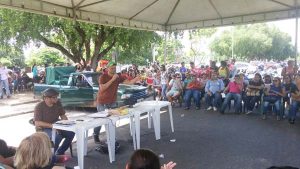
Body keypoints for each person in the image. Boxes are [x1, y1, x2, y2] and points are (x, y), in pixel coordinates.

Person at [93, 61, 141, 144]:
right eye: (111, 68)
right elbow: (102, 88)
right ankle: (95, 134)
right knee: (101, 121)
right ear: (107, 68)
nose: (113, 69)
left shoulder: (118, 76)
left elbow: (128, 83)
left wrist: (136, 79)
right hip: (102, 102)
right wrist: (112, 79)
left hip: (112, 102)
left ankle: (112, 139)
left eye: (114, 68)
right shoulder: (103, 76)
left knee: (112, 121)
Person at [34, 88, 75, 155]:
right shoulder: (39, 106)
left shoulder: (58, 103)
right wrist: (52, 126)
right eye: (54, 97)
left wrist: (67, 124)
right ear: (46, 98)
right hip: (44, 128)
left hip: (57, 125)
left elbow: (63, 115)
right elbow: (37, 122)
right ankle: (50, 156)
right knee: (57, 137)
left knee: (71, 133)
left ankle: (60, 152)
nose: (56, 98)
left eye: (56, 97)